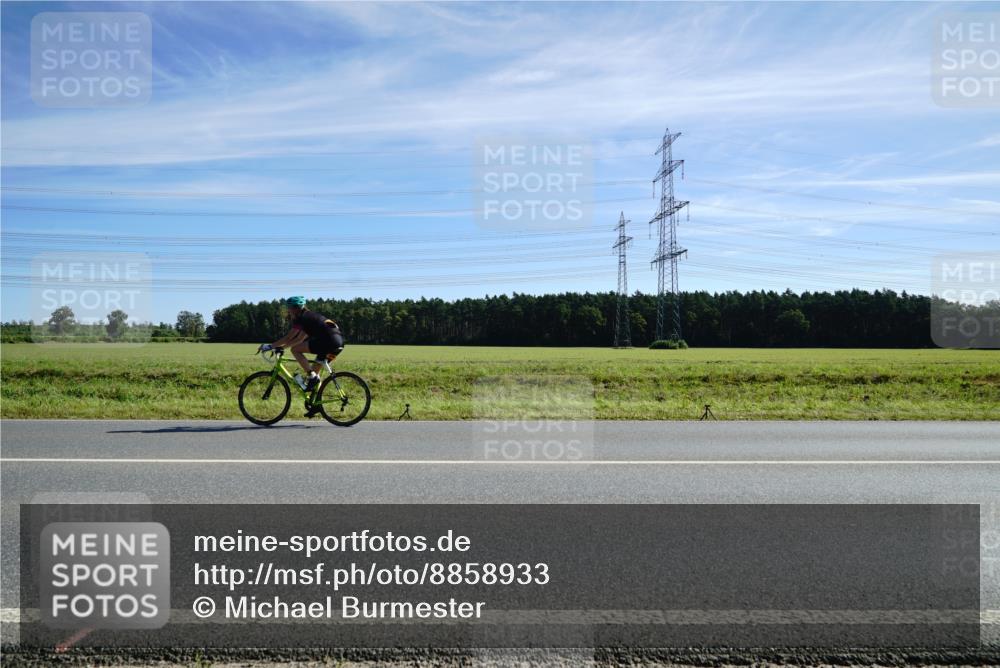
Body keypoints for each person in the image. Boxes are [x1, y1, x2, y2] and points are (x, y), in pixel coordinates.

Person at [262, 296, 345, 416]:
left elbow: (289, 337)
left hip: (328, 342)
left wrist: (270, 346)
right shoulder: (309, 317)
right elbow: (300, 338)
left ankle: (312, 376)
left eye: (289, 308)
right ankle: (316, 405)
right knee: (315, 374)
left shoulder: (302, 318)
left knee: (295, 350)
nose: (288, 311)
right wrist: (281, 347)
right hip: (337, 343)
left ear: (295, 308)